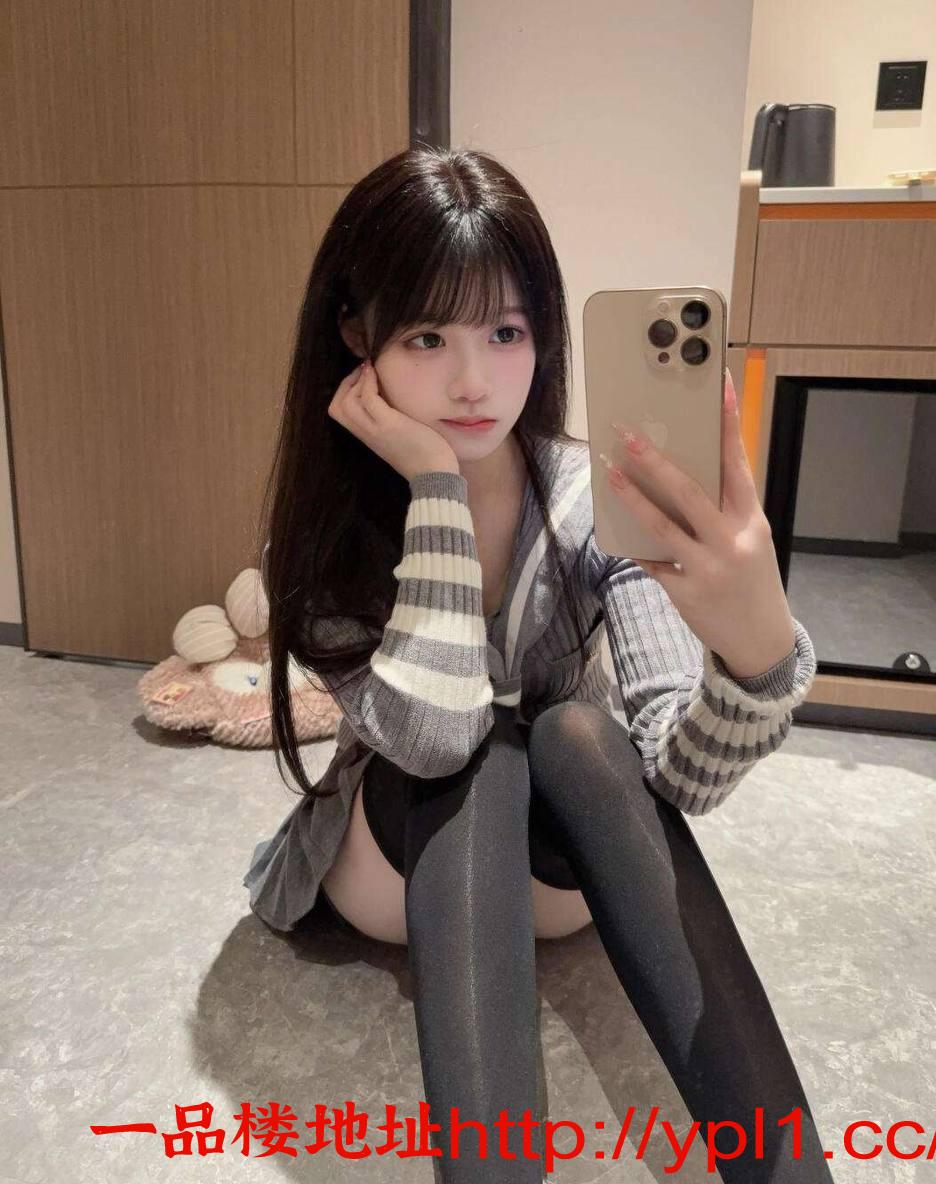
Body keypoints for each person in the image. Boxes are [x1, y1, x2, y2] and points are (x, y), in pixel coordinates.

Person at [243, 146, 834, 1183]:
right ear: (357, 336)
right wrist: (434, 487)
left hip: (559, 872)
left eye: (506, 332)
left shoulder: (588, 502)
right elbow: (433, 742)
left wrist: (755, 661)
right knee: (483, 758)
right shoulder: (331, 532)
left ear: (543, 335)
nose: (475, 381)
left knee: (576, 730)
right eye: (428, 336)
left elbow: (679, 780)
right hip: (395, 863)